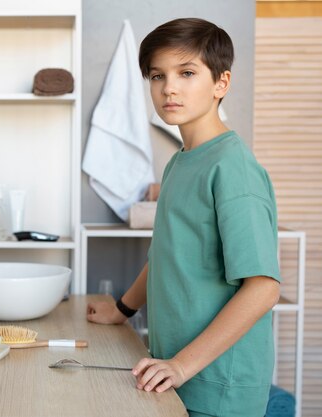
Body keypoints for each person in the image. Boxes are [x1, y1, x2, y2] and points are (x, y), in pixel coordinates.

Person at [86, 18, 281, 417]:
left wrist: (181, 365)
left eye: (187, 73)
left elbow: (263, 288)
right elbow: (165, 255)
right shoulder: (180, 162)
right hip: (176, 374)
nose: (168, 87)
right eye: (158, 75)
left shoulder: (232, 168)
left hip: (218, 387)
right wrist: (121, 310)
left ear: (221, 84)